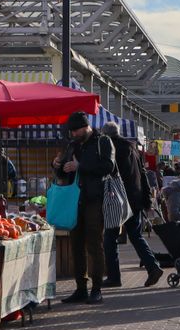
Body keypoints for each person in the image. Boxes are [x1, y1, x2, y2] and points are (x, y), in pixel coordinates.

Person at [52, 111, 116, 305]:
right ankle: (81, 288)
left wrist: (80, 166)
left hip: (94, 199)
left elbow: (109, 166)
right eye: (71, 131)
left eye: (77, 130)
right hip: (75, 200)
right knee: (76, 245)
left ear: (86, 127)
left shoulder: (103, 142)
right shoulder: (72, 145)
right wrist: (57, 166)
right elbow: (65, 170)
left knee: (94, 244)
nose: (74, 134)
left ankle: (96, 289)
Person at [99, 122, 164, 289]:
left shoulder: (112, 149)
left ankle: (114, 277)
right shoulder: (132, 148)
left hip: (118, 201)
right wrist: (147, 199)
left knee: (109, 239)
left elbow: (109, 174)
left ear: (106, 135)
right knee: (136, 236)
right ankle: (153, 266)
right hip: (135, 200)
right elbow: (142, 174)